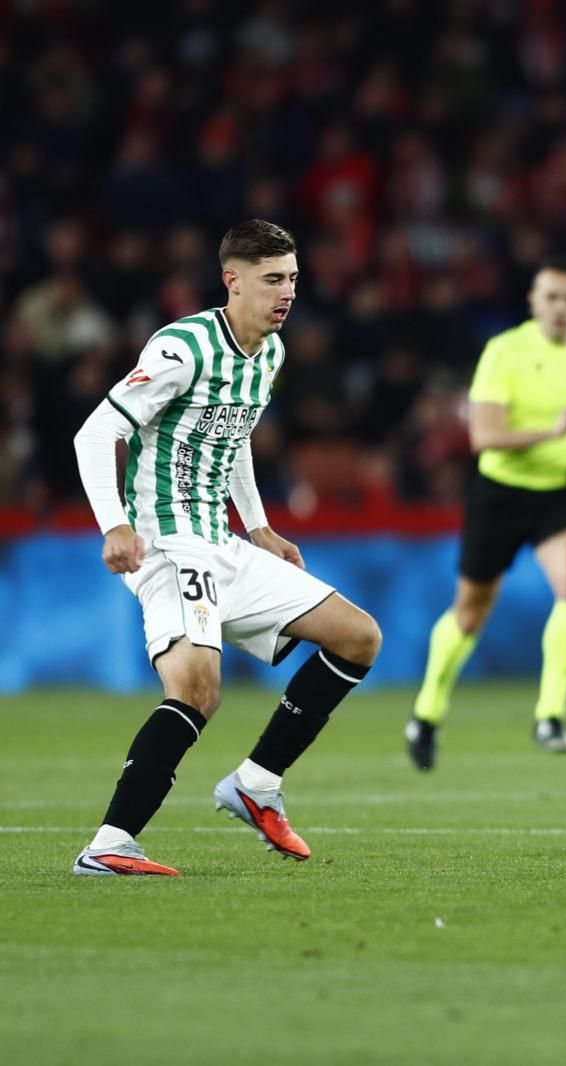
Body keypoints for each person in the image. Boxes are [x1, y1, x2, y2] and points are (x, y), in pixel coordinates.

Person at [69, 219, 383, 876]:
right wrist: (113, 524)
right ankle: (109, 844)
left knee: (358, 637)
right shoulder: (182, 347)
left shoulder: (270, 354)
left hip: (222, 541)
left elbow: (232, 437)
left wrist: (259, 525)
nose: (287, 292)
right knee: (196, 687)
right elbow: (95, 434)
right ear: (232, 281)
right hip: (166, 542)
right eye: (272, 279)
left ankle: (256, 783)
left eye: (292, 278)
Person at [405, 262, 566, 768]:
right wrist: (554, 431)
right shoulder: (505, 351)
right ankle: (427, 712)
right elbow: (483, 436)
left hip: (559, 492)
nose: (561, 307)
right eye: (552, 297)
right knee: (469, 613)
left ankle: (550, 716)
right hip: (500, 492)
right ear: (533, 301)